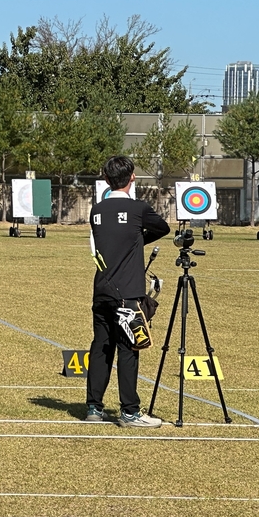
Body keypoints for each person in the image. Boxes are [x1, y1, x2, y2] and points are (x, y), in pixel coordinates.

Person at [86, 155, 170, 428]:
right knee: (129, 349)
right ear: (132, 177)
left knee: (101, 347)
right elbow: (163, 227)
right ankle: (130, 412)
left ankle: (94, 408)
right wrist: (138, 239)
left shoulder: (96, 210)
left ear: (106, 179)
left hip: (102, 290)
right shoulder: (138, 209)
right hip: (128, 292)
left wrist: (134, 239)